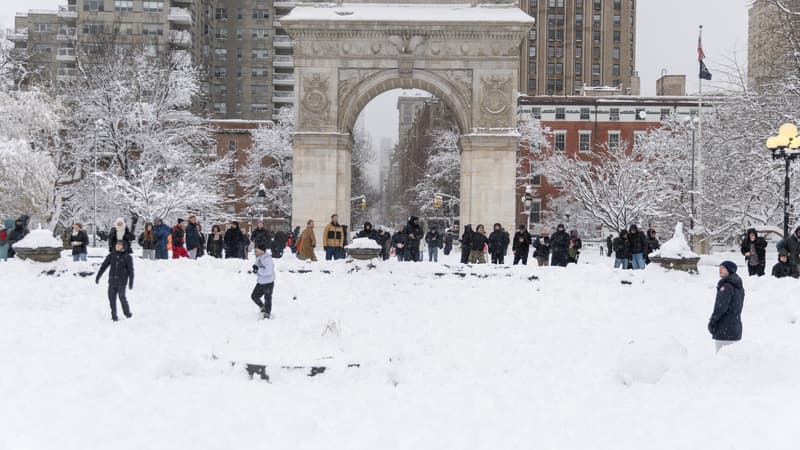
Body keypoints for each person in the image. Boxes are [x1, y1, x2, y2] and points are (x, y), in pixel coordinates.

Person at [708, 261, 745, 352]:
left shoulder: (726, 286)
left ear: (730, 270)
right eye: (720, 268)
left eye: (723, 268)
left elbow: (720, 307)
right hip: (735, 328)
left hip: (724, 329)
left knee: (722, 359)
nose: (720, 270)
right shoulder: (738, 285)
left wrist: (713, 322)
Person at [95, 240, 134, 322]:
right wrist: (98, 276)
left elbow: (131, 271)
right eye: (117, 244)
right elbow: (104, 266)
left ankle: (127, 314)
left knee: (122, 297)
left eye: (120, 245)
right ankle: (114, 316)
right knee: (111, 299)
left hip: (122, 282)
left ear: (123, 246)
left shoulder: (127, 257)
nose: (118, 246)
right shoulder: (111, 255)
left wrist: (131, 282)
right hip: (112, 281)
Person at [251, 242, 275, 319]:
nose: (256, 252)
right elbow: (258, 271)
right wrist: (255, 271)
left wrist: (258, 269)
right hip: (260, 282)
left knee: (267, 298)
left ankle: (267, 313)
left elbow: (268, 272)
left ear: (262, 251)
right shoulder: (258, 258)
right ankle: (262, 307)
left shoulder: (268, 260)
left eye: (257, 250)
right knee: (254, 296)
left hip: (268, 282)